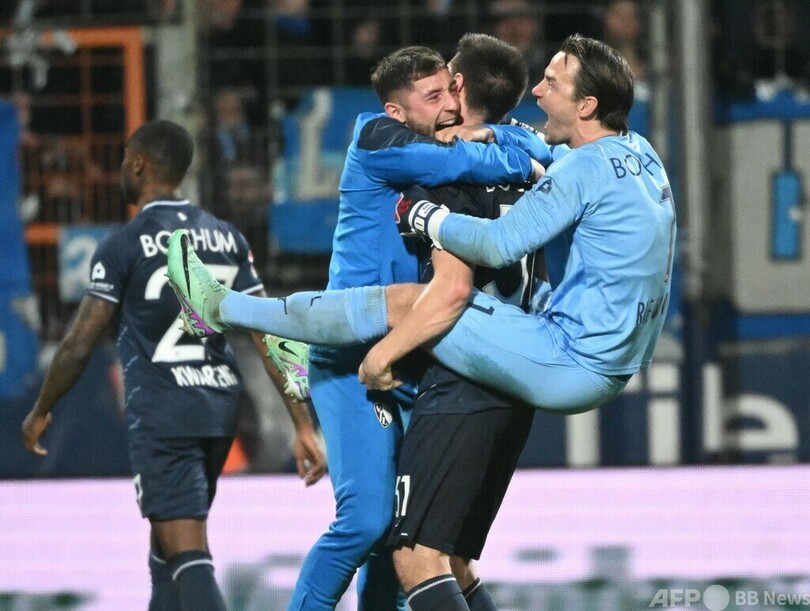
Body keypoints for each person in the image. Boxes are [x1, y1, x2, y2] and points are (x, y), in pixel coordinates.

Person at [273, 43, 546, 611]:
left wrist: (502, 138)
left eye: (450, 91)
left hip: (411, 356)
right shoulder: (376, 137)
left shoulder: (458, 139)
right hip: (354, 356)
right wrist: (519, 161)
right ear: (397, 110)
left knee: (402, 532)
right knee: (366, 520)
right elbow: (456, 164)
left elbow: (535, 143)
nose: (448, 104)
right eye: (432, 96)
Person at [21, 120, 326, 611]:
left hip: (164, 412)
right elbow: (269, 333)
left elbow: (78, 343)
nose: (121, 169)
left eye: (125, 160)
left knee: (188, 555)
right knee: (165, 553)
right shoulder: (226, 238)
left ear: (139, 165)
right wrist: (303, 424)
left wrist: (41, 409)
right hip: (219, 410)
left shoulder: (124, 244)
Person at [384, 34, 546, 611]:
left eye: (444, 80)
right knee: (454, 562)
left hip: (463, 378)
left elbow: (451, 289)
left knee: (417, 558)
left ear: (457, 86)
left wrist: (382, 354)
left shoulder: (447, 172)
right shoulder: (530, 164)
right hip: (517, 378)